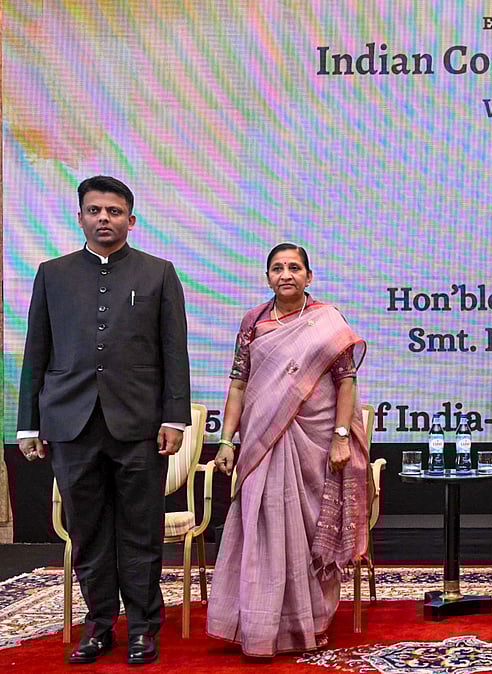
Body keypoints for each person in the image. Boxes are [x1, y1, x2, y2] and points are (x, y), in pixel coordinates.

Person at [17, 175, 191, 665]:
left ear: (131, 220)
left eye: (114, 212)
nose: (104, 219)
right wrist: (28, 425)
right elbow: (37, 352)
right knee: (88, 531)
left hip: (138, 424)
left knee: (140, 530)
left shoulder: (159, 273)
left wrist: (174, 418)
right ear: (80, 217)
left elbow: (173, 353)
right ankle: (98, 627)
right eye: (94, 211)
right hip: (69, 425)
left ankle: (142, 628)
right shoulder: (52, 273)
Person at [206, 243, 370, 657]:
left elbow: (346, 382)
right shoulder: (254, 321)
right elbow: (239, 385)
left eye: (294, 268)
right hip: (263, 441)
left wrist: (340, 437)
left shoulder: (327, 321)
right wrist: (226, 440)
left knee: (311, 530)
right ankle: (261, 626)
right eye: (277, 268)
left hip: (316, 442)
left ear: (309, 276)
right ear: (267, 277)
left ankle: (309, 622)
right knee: (263, 531)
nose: (286, 275)